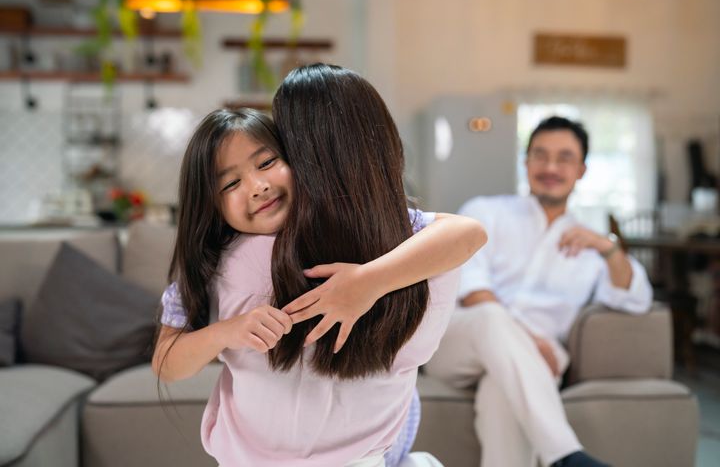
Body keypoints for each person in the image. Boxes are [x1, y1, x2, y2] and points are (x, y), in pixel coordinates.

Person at [152, 64, 487, 467]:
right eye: (229, 184)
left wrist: (366, 282)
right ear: (210, 204)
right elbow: (167, 364)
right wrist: (227, 331)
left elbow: (468, 233)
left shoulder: (349, 231)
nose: (256, 186)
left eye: (267, 163)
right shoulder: (213, 263)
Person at [424, 116, 653, 467]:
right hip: (461, 346)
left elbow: (635, 298)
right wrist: (530, 342)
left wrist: (607, 248)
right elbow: (474, 292)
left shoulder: (591, 242)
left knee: (502, 393)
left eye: (564, 158)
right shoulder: (485, 212)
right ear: (526, 162)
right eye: (540, 155)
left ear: (582, 170)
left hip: (530, 367)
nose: (550, 167)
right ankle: (565, 454)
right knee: (489, 316)